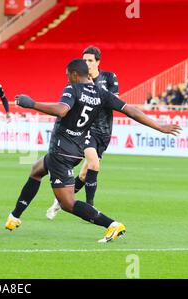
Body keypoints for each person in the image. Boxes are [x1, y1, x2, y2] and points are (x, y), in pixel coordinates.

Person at [5, 58, 181, 243]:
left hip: (61, 151)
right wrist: (159, 127)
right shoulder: (101, 93)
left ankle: (112, 225)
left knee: (68, 204)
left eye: (68, 76)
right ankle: (15, 216)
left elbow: (62, 110)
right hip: (76, 149)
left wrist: (32, 103)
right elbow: (130, 110)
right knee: (36, 170)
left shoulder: (72, 88)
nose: (67, 79)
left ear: (74, 74)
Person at [46, 46, 120, 219]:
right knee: (94, 164)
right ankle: (90, 208)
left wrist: (95, 91)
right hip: (86, 130)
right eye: (84, 60)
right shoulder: (78, 81)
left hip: (104, 131)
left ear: (98, 62)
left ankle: (61, 201)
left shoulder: (109, 77)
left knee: (85, 173)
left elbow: (115, 100)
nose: (87, 63)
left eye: (90, 60)